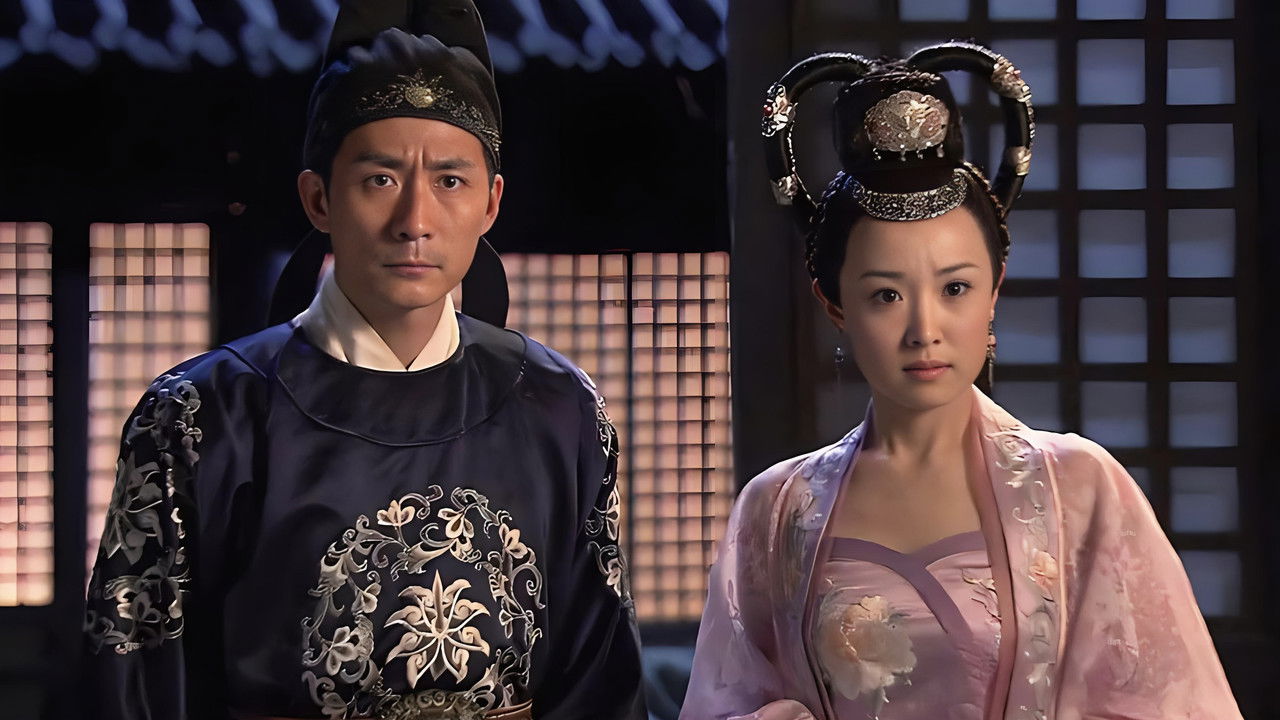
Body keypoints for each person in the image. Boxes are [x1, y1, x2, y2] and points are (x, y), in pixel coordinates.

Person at [81, 2, 646, 718]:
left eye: (450, 181)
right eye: (380, 179)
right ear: (318, 198)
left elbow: (600, 677)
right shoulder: (201, 415)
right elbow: (134, 677)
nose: (415, 220)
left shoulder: (560, 409)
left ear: (491, 203)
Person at [679, 43, 1241, 720]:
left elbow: (1170, 700)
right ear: (836, 306)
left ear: (994, 289)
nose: (925, 329)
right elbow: (727, 702)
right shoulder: (778, 510)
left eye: (954, 288)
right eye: (886, 295)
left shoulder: (1081, 489)